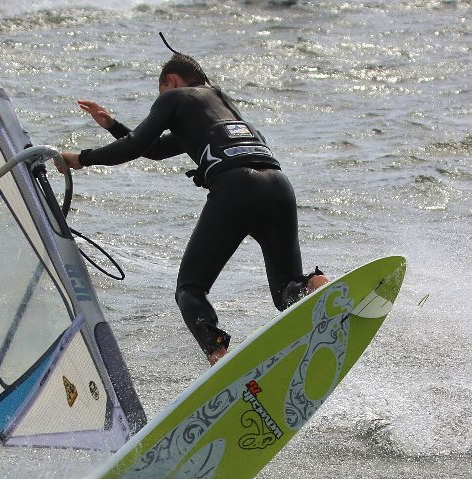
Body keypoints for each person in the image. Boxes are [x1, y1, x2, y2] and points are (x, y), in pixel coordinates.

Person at [58, 50, 328, 366]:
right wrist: (113, 125)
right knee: (288, 293)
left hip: (236, 187)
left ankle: (220, 357)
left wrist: (82, 158)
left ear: (171, 81)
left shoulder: (176, 98)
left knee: (190, 290)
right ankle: (316, 284)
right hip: (279, 187)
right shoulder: (229, 112)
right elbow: (155, 149)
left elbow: (134, 147)